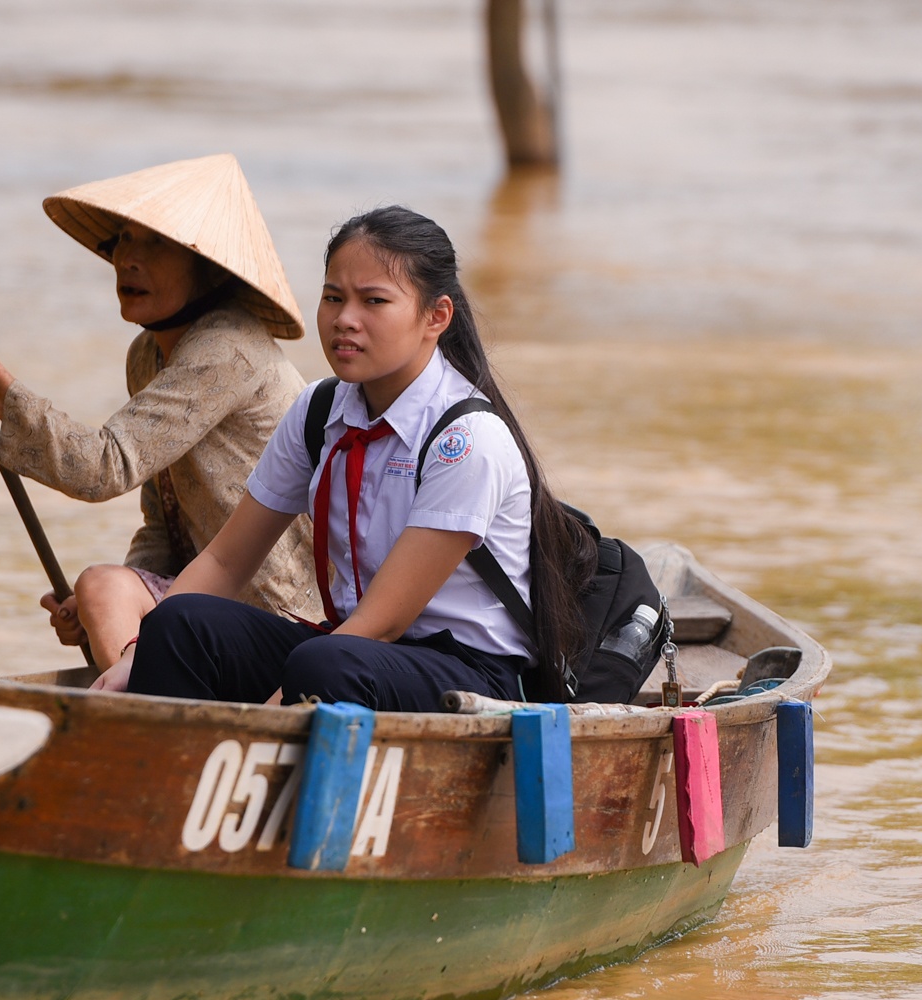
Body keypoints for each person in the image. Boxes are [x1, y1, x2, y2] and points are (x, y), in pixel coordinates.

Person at [93, 205, 596, 713]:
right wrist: (138, 652)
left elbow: (385, 621)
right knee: (178, 624)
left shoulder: (467, 439)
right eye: (333, 298)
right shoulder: (318, 410)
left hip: (469, 673)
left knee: (323, 664)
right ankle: (177, 775)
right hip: (351, 651)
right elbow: (226, 561)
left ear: (436, 316)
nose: (344, 320)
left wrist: (271, 713)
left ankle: (241, 765)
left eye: (373, 301)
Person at [0, 155, 319, 669]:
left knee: (100, 587)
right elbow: (164, 519)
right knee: (103, 591)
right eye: (124, 239)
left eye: (156, 243)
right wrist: (109, 603)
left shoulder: (229, 347)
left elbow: (103, 468)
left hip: (282, 615)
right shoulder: (148, 354)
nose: (128, 258)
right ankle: (142, 701)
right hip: (209, 601)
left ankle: (142, 719)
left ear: (209, 268)